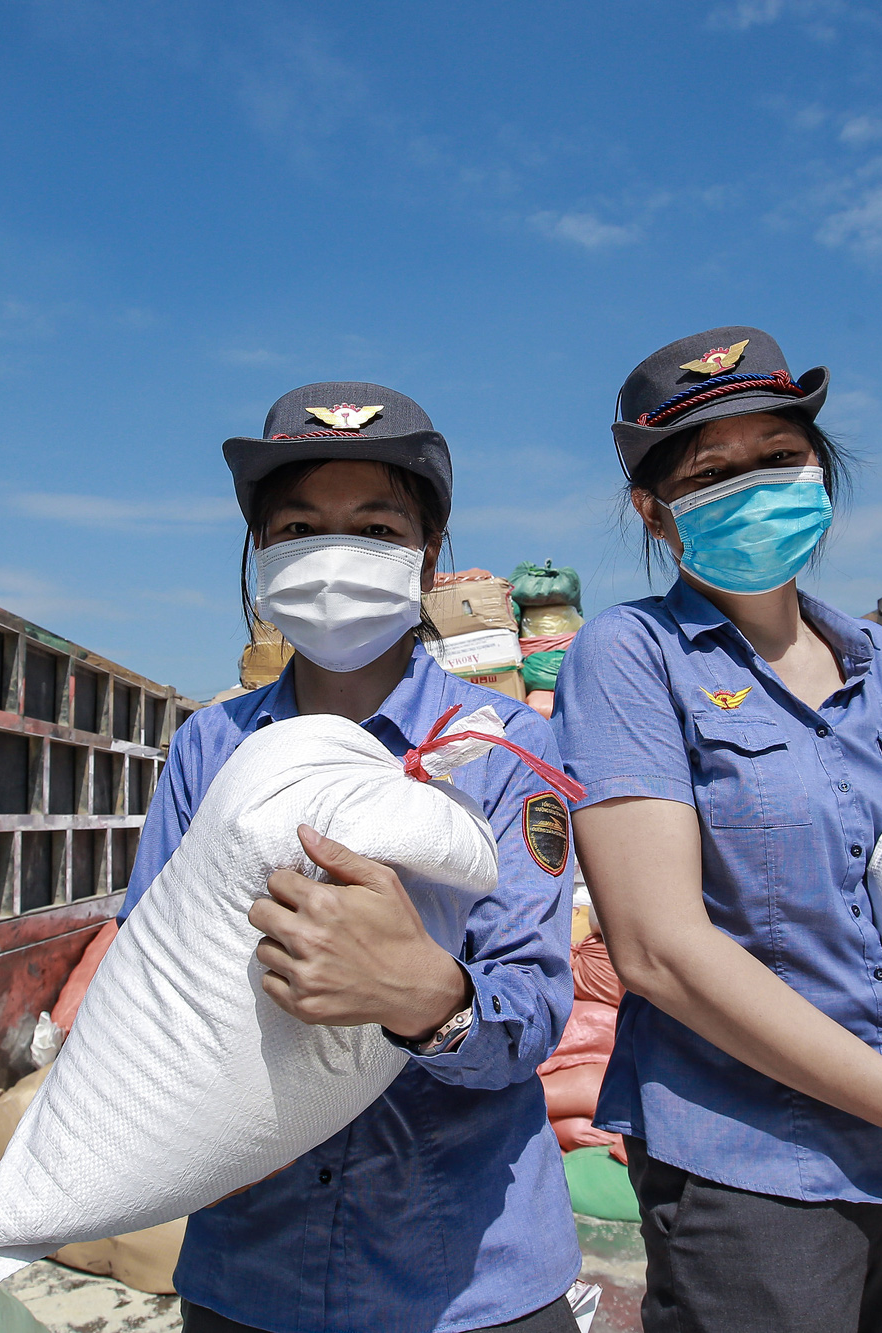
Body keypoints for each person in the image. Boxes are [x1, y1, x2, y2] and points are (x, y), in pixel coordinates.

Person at [550, 328, 882, 1332]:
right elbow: (658, 949)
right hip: (752, 1165)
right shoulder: (630, 654)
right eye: (710, 471)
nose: (752, 485)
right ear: (653, 512)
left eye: (777, 457)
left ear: (819, 468)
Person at [117, 383, 582, 1333]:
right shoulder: (211, 748)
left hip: (469, 1273)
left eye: (373, 527)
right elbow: (148, 967)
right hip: (253, 1269)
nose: (334, 554)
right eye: (299, 525)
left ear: (428, 555)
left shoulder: (496, 751)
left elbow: (532, 1012)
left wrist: (427, 998)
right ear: (262, 553)